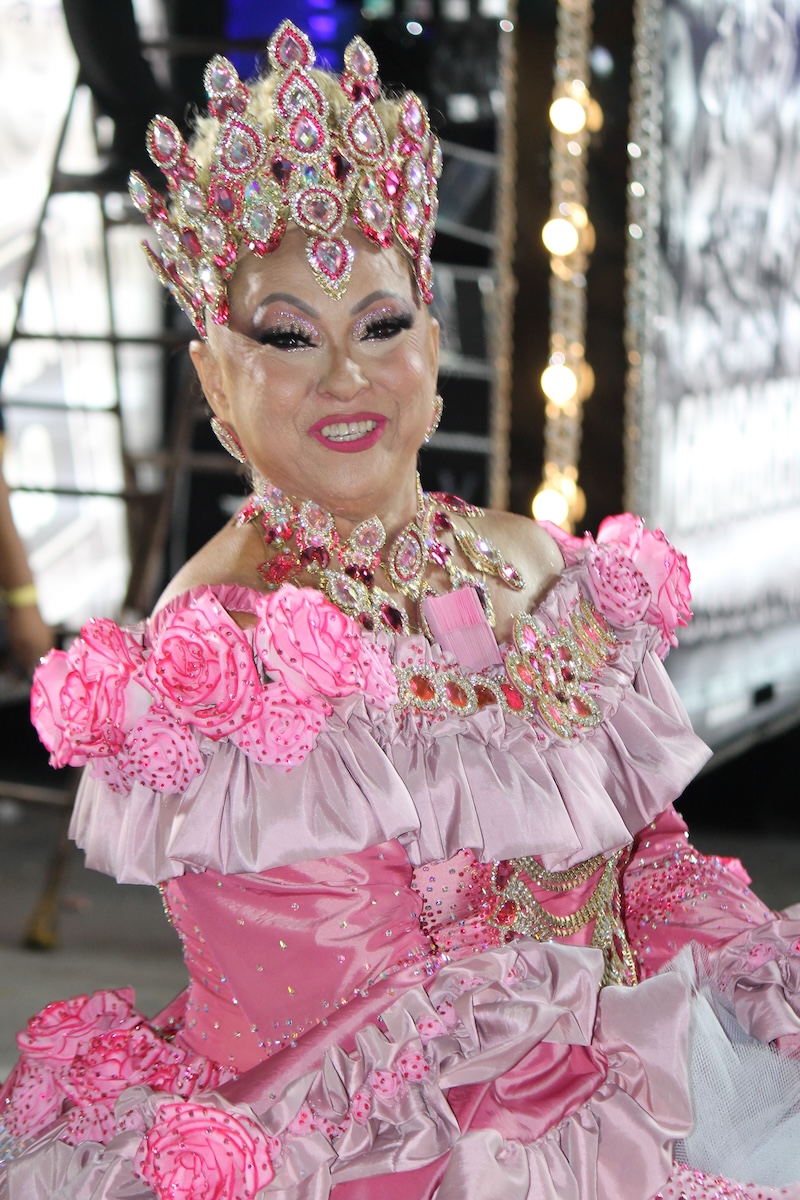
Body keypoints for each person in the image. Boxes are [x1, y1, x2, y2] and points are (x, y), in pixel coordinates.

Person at [1, 20, 800, 1199]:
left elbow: (647, 867)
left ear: (432, 343)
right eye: (286, 336)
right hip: (395, 1140)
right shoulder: (218, 649)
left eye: (380, 326)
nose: (345, 376)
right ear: (215, 373)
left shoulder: (534, 570)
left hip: (636, 1081)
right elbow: (343, 1012)